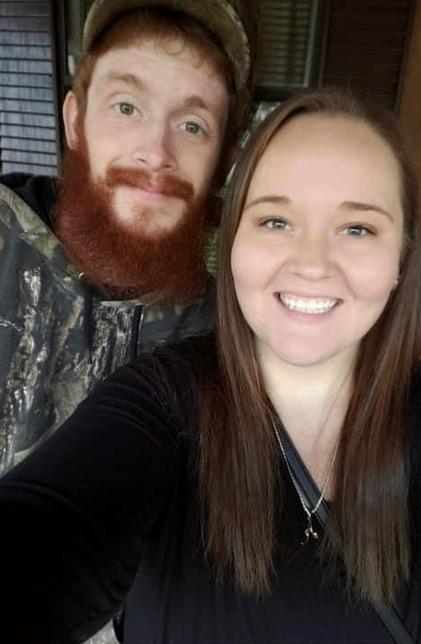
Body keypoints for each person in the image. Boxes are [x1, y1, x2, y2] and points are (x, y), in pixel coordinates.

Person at [0, 87, 421, 643]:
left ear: (401, 259)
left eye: (358, 228)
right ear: (232, 243)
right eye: (275, 221)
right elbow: (45, 538)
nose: (312, 265)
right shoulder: (160, 406)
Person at [0, 0, 258, 473]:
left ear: (224, 162)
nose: (156, 152)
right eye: (127, 107)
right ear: (75, 121)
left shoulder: (234, 337)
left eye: (192, 125)